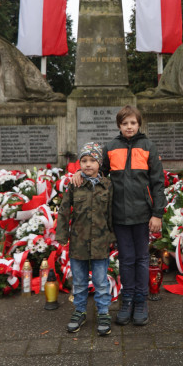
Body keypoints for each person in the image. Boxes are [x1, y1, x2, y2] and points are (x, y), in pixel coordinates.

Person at [73, 105, 166, 326]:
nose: (129, 127)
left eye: (133, 123)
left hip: (143, 214)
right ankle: (128, 299)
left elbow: (158, 183)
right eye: (125, 123)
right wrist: (80, 171)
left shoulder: (148, 147)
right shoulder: (111, 148)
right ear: (119, 126)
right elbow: (97, 170)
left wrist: (158, 214)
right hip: (119, 214)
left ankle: (141, 301)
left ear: (139, 124)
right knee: (126, 259)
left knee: (142, 259)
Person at [55, 142, 114, 336]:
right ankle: (79, 311)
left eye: (92, 160)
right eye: (84, 161)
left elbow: (112, 213)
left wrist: (113, 237)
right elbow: (64, 211)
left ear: (100, 163)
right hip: (78, 243)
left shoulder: (107, 186)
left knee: (100, 281)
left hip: (100, 242)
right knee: (79, 281)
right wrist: (62, 235)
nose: (88, 165)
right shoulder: (74, 185)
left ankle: (103, 312)